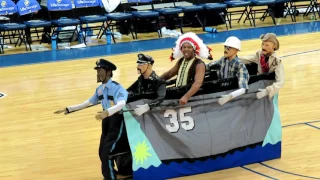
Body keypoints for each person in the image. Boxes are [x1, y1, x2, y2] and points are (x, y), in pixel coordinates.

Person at [54, 59, 129, 180]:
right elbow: (88, 102)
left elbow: (121, 104)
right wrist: (69, 109)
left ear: (108, 72)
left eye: (100, 70)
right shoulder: (99, 89)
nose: (98, 73)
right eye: (97, 71)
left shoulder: (117, 87)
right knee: (101, 151)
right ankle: (112, 174)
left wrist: (107, 112)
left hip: (116, 121)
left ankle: (110, 178)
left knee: (107, 152)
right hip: (106, 122)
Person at [160, 32, 213, 105]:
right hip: (178, 93)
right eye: (184, 47)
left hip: (191, 97)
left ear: (194, 49)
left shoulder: (199, 64)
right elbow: (169, 74)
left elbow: (198, 83)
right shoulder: (181, 61)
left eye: (189, 47)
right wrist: (155, 80)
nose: (186, 49)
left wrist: (186, 97)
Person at [239, 33, 285, 99]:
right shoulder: (259, 54)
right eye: (263, 44)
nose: (263, 47)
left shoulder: (277, 61)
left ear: (273, 46)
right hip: (258, 86)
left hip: (269, 91)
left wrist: (267, 91)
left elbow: (280, 82)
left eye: (267, 45)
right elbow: (246, 59)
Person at [206, 36, 250, 105]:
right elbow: (208, 66)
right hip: (221, 92)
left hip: (232, 98)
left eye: (229, 47)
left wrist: (230, 96)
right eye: (225, 46)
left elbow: (243, 88)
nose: (226, 49)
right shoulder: (222, 60)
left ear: (236, 50)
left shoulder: (240, 65)